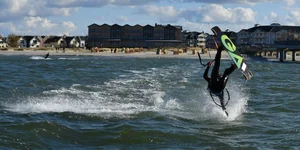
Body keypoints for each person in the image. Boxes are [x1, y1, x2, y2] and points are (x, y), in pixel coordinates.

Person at [203, 45, 237, 112]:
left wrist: (208, 67)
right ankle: (234, 66)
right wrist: (208, 67)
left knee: (220, 69)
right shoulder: (216, 81)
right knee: (222, 71)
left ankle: (220, 51)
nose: (220, 76)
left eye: (219, 76)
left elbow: (204, 76)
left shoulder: (215, 80)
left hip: (216, 88)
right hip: (215, 88)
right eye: (220, 76)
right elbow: (222, 104)